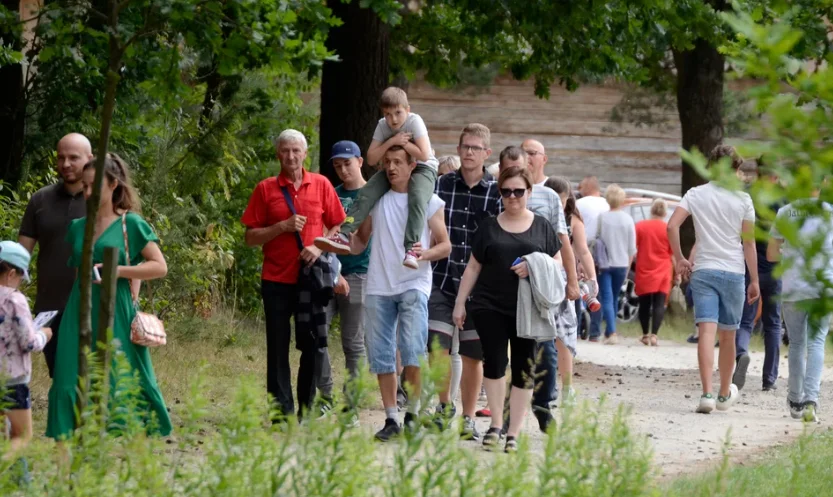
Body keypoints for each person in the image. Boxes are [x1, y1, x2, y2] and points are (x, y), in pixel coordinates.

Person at [46, 154, 171, 439]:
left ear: (114, 184)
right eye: (84, 186)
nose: (87, 193)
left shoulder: (132, 223)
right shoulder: (79, 226)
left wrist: (119, 271)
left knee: (121, 375)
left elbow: (159, 267)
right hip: (79, 309)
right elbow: (79, 275)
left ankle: (128, 441)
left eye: (94, 186)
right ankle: (70, 445)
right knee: (68, 376)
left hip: (117, 308)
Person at [454, 166, 562, 453]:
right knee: (494, 363)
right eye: (506, 191)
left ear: (529, 192)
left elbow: (558, 263)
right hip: (490, 304)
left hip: (529, 308)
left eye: (518, 191)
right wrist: (460, 302)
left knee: (525, 367)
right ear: (500, 192)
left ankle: (513, 431)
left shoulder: (542, 226)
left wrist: (535, 265)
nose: (512, 197)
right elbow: (473, 266)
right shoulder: (489, 226)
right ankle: (496, 425)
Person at [346, 146, 450, 441]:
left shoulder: (429, 201)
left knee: (413, 350)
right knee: (381, 355)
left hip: (413, 283)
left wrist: (425, 252)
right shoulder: (377, 199)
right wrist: (337, 244)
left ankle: (414, 414)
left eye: (397, 162)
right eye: (386, 163)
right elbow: (360, 241)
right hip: (379, 284)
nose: (391, 168)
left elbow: (445, 245)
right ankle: (392, 418)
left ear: (412, 165)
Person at [241, 129, 346, 421]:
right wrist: (280, 227)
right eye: (285, 151)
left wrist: (318, 246)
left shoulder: (322, 184)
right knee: (277, 347)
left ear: (305, 153)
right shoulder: (265, 189)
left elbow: (337, 224)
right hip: (275, 279)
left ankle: (307, 409)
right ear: (278, 154)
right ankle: (281, 413)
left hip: (312, 280)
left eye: (296, 151)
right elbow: (250, 237)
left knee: (312, 344)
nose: (290, 156)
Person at [667, 144, 760, 414]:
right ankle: (723, 394)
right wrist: (754, 280)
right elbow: (749, 244)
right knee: (728, 336)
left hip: (704, 270)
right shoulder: (743, 199)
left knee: (706, 332)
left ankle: (706, 393)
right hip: (733, 272)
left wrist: (681, 258)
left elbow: (672, 225)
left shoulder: (695, 194)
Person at [497, 147, 579, 432]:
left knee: (545, 348)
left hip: (540, 286)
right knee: (512, 356)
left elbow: (562, 242)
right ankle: (507, 420)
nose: (512, 193)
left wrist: (570, 279)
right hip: (504, 286)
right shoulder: (497, 194)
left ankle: (542, 403)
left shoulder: (548, 198)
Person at [316, 87, 439, 269]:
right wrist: (392, 141)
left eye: (398, 113)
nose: (393, 119)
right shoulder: (383, 125)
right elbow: (372, 159)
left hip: (423, 168)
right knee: (367, 192)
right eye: (388, 114)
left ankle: (411, 248)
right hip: (395, 164)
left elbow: (424, 154)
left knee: (417, 196)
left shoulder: (415, 121)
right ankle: (343, 234)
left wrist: (402, 143)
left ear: (408, 110)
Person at [429, 123, 499, 440]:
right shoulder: (441, 185)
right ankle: (444, 408)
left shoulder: (497, 192)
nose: (468, 152)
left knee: (473, 355)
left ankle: (469, 417)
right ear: (458, 150)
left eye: (475, 148)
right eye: (464, 147)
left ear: (486, 153)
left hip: (479, 288)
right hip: (442, 279)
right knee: (437, 348)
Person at [18, 133, 91, 378]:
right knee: (59, 376)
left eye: (73, 157)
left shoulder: (102, 201)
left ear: (90, 159)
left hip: (91, 305)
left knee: (91, 377)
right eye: (61, 157)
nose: (66, 164)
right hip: (50, 307)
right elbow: (20, 257)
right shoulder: (40, 199)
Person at [767, 193, 832, 422]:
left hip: (793, 288)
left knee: (796, 343)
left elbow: (772, 254)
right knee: (817, 342)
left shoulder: (785, 212)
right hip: (822, 287)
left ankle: (795, 400)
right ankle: (811, 402)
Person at [0, 241, 52, 480]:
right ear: (11, 273)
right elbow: (29, 343)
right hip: (13, 378)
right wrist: (44, 334)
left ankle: (21, 482)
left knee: (7, 435)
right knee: (22, 437)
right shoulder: (14, 299)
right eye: (21, 277)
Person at [327, 141, 370, 417]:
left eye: (348, 163)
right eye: (338, 165)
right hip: (330, 271)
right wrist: (333, 271)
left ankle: (352, 403)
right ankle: (323, 394)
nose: (343, 170)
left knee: (353, 342)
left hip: (360, 273)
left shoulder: (373, 194)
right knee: (315, 333)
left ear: (360, 161)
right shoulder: (332, 193)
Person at [734, 166, 783, 392]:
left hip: (748, 267)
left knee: (745, 320)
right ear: (774, 175)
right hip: (774, 269)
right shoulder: (781, 201)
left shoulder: (746, 195)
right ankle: (769, 379)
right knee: (773, 325)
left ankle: (741, 354)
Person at [545, 175, 598, 345]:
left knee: (567, 326)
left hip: (566, 276)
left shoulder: (572, 219)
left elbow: (583, 250)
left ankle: (566, 361)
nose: (556, 205)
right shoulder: (537, 214)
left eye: (559, 201)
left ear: (567, 199)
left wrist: (593, 278)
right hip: (543, 274)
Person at [595, 184, 636, 344]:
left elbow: (597, 239)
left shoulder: (602, 217)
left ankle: (611, 332)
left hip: (604, 263)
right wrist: (627, 267)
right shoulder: (628, 219)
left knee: (606, 297)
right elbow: (631, 248)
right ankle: (609, 331)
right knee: (614, 297)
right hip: (621, 264)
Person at [634, 199, 673, 346]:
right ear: (664, 212)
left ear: (651, 210)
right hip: (663, 269)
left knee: (644, 303)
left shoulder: (640, 226)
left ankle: (645, 335)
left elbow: (634, 247)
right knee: (659, 303)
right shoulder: (668, 228)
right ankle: (655, 335)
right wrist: (679, 274)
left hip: (644, 267)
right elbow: (672, 252)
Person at [575, 175, 610, 341]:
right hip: (604, 253)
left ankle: (575, 328)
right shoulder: (607, 204)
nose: (578, 190)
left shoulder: (579, 204)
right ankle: (595, 332)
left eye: (580, 187)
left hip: (584, 249)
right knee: (599, 292)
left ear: (587, 187)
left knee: (578, 286)